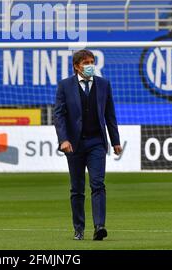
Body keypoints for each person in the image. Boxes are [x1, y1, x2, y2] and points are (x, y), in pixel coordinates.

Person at [53, 49, 122, 241]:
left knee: (98, 184)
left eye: (92, 61)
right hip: (73, 145)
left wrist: (115, 141)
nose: (90, 65)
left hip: (97, 143)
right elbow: (59, 115)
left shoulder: (104, 84)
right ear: (76, 66)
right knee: (77, 188)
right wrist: (63, 140)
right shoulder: (64, 86)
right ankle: (79, 228)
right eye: (86, 62)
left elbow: (110, 115)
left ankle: (99, 226)